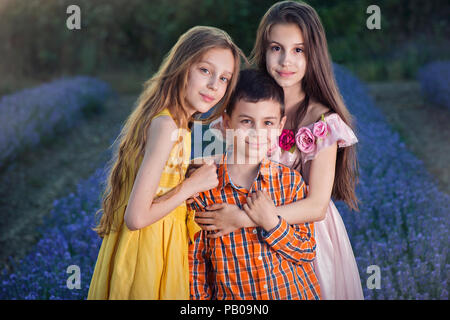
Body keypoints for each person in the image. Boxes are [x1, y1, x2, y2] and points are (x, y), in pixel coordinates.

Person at [195, 1, 363, 299]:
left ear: (315, 54)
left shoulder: (320, 120)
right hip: (238, 241)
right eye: (276, 48)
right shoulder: (244, 101)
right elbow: (212, 155)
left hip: (299, 233)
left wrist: (242, 218)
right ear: (264, 49)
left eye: (298, 50)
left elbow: (317, 206)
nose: (286, 60)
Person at [87, 26, 244, 300]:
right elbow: (136, 217)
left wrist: (186, 177)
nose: (213, 85)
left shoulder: (178, 125)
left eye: (224, 78)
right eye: (205, 70)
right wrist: (190, 187)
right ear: (183, 66)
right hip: (145, 253)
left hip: (158, 248)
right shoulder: (166, 126)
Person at [189, 69, 320, 300]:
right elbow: (196, 265)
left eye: (268, 122)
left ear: (280, 126)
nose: (257, 132)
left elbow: (306, 251)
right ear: (228, 123)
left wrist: (271, 222)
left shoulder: (291, 184)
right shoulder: (205, 189)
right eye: (246, 121)